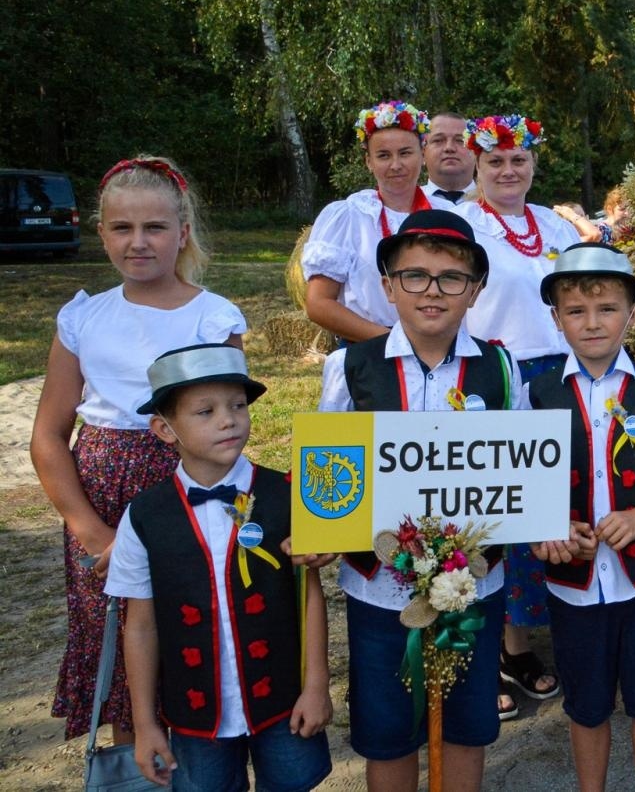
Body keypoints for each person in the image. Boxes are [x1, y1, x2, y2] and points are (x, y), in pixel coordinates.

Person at [31, 157, 247, 744]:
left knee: (193, 633)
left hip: (189, 489)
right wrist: (93, 532)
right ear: (100, 233)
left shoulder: (213, 316)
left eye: (154, 227)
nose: (138, 242)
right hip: (101, 499)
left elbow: (230, 426)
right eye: (122, 228)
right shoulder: (83, 318)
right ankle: (136, 762)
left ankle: (204, 761)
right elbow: (48, 436)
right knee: (123, 643)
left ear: (182, 231)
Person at [318, 209, 526, 792]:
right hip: (380, 588)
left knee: (466, 723)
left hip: (473, 586)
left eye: (451, 278)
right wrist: (320, 533)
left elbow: (525, 464)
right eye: (414, 276)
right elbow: (329, 473)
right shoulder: (349, 367)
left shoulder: (501, 367)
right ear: (388, 286)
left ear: (475, 290)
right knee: (387, 728)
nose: (432, 291)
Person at [108, 344, 332, 790]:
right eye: (205, 412)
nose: (228, 420)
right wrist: (145, 723)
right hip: (194, 712)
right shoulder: (144, 516)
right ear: (164, 429)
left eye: (238, 405)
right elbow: (140, 626)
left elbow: (309, 594)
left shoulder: (288, 496)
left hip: (282, 699)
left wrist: (317, 685)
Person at [530, 243, 635, 792]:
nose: (592, 322)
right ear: (556, 318)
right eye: (576, 311)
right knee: (586, 705)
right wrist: (547, 528)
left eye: (607, 308)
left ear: (632, 312)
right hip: (573, 586)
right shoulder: (534, 393)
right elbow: (521, 485)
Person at [454, 113, 576, 715]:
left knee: (552, 510)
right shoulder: (460, 225)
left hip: (556, 376)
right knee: (498, 514)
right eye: (496, 160)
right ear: (477, 165)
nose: (508, 170)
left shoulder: (554, 225)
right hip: (491, 378)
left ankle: (541, 636)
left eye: (518, 160)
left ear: (532, 166)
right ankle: (501, 648)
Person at [302, 100, 432, 343]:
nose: (396, 165)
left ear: (423, 154)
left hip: (438, 348)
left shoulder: (446, 213)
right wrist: (392, 342)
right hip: (369, 348)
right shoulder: (349, 217)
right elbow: (318, 303)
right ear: (369, 162)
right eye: (384, 155)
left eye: (405, 153)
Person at [422, 109, 475, 203]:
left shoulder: (501, 203)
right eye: (438, 140)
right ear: (423, 152)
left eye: (460, 141)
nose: (449, 148)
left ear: (476, 152)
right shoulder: (403, 203)